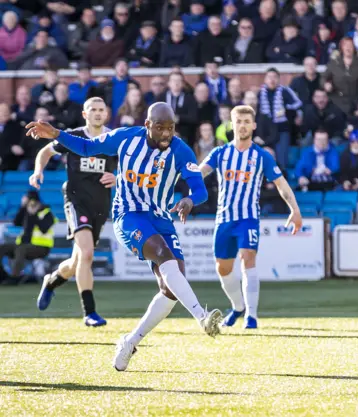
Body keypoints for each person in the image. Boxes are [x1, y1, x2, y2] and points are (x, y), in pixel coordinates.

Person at [25, 102, 223, 372]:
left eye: (170, 128)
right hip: (128, 215)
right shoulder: (125, 137)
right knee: (166, 259)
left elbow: (200, 189)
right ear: (147, 126)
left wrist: (188, 200)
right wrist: (57, 134)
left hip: (161, 218)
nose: (166, 134)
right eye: (160, 128)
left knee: (170, 290)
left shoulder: (181, 150)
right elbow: (86, 147)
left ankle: (130, 342)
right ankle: (201, 317)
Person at [199, 105, 303, 329]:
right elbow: (201, 172)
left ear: (254, 125)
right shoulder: (220, 153)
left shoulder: (261, 156)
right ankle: (238, 307)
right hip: (224, 219)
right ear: (232, 125)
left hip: (248, 218)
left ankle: (252, 317)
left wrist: (295, 209)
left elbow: (281, 184)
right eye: (239, 121)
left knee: (248, 258)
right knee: (223, 268)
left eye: (247, 121)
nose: (243, 125)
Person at [30, 97, 117, 327]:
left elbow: (130, 166)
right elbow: (45, 152)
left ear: (106, 114)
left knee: (77, 261)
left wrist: (117, 177)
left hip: (100, 203)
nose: (98, 113)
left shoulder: (114, 138)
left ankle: (51, 281)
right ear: (85, 114)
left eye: (101, 109)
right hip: (76, 199)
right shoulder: (73, 136)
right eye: (93, 110)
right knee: (87, 253)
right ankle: (90, 312)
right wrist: (38, 171)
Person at [0, 191, 56, 285]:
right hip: (22, 245)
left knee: (21, 249)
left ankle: (15, 277)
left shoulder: (47, 213)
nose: (31, 205)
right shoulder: (26, 211)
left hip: (41, 248)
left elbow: (44, 229)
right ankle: (3, 276)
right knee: (2, 248)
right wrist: (22, 207)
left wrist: (34, 214)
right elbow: (16, 222)